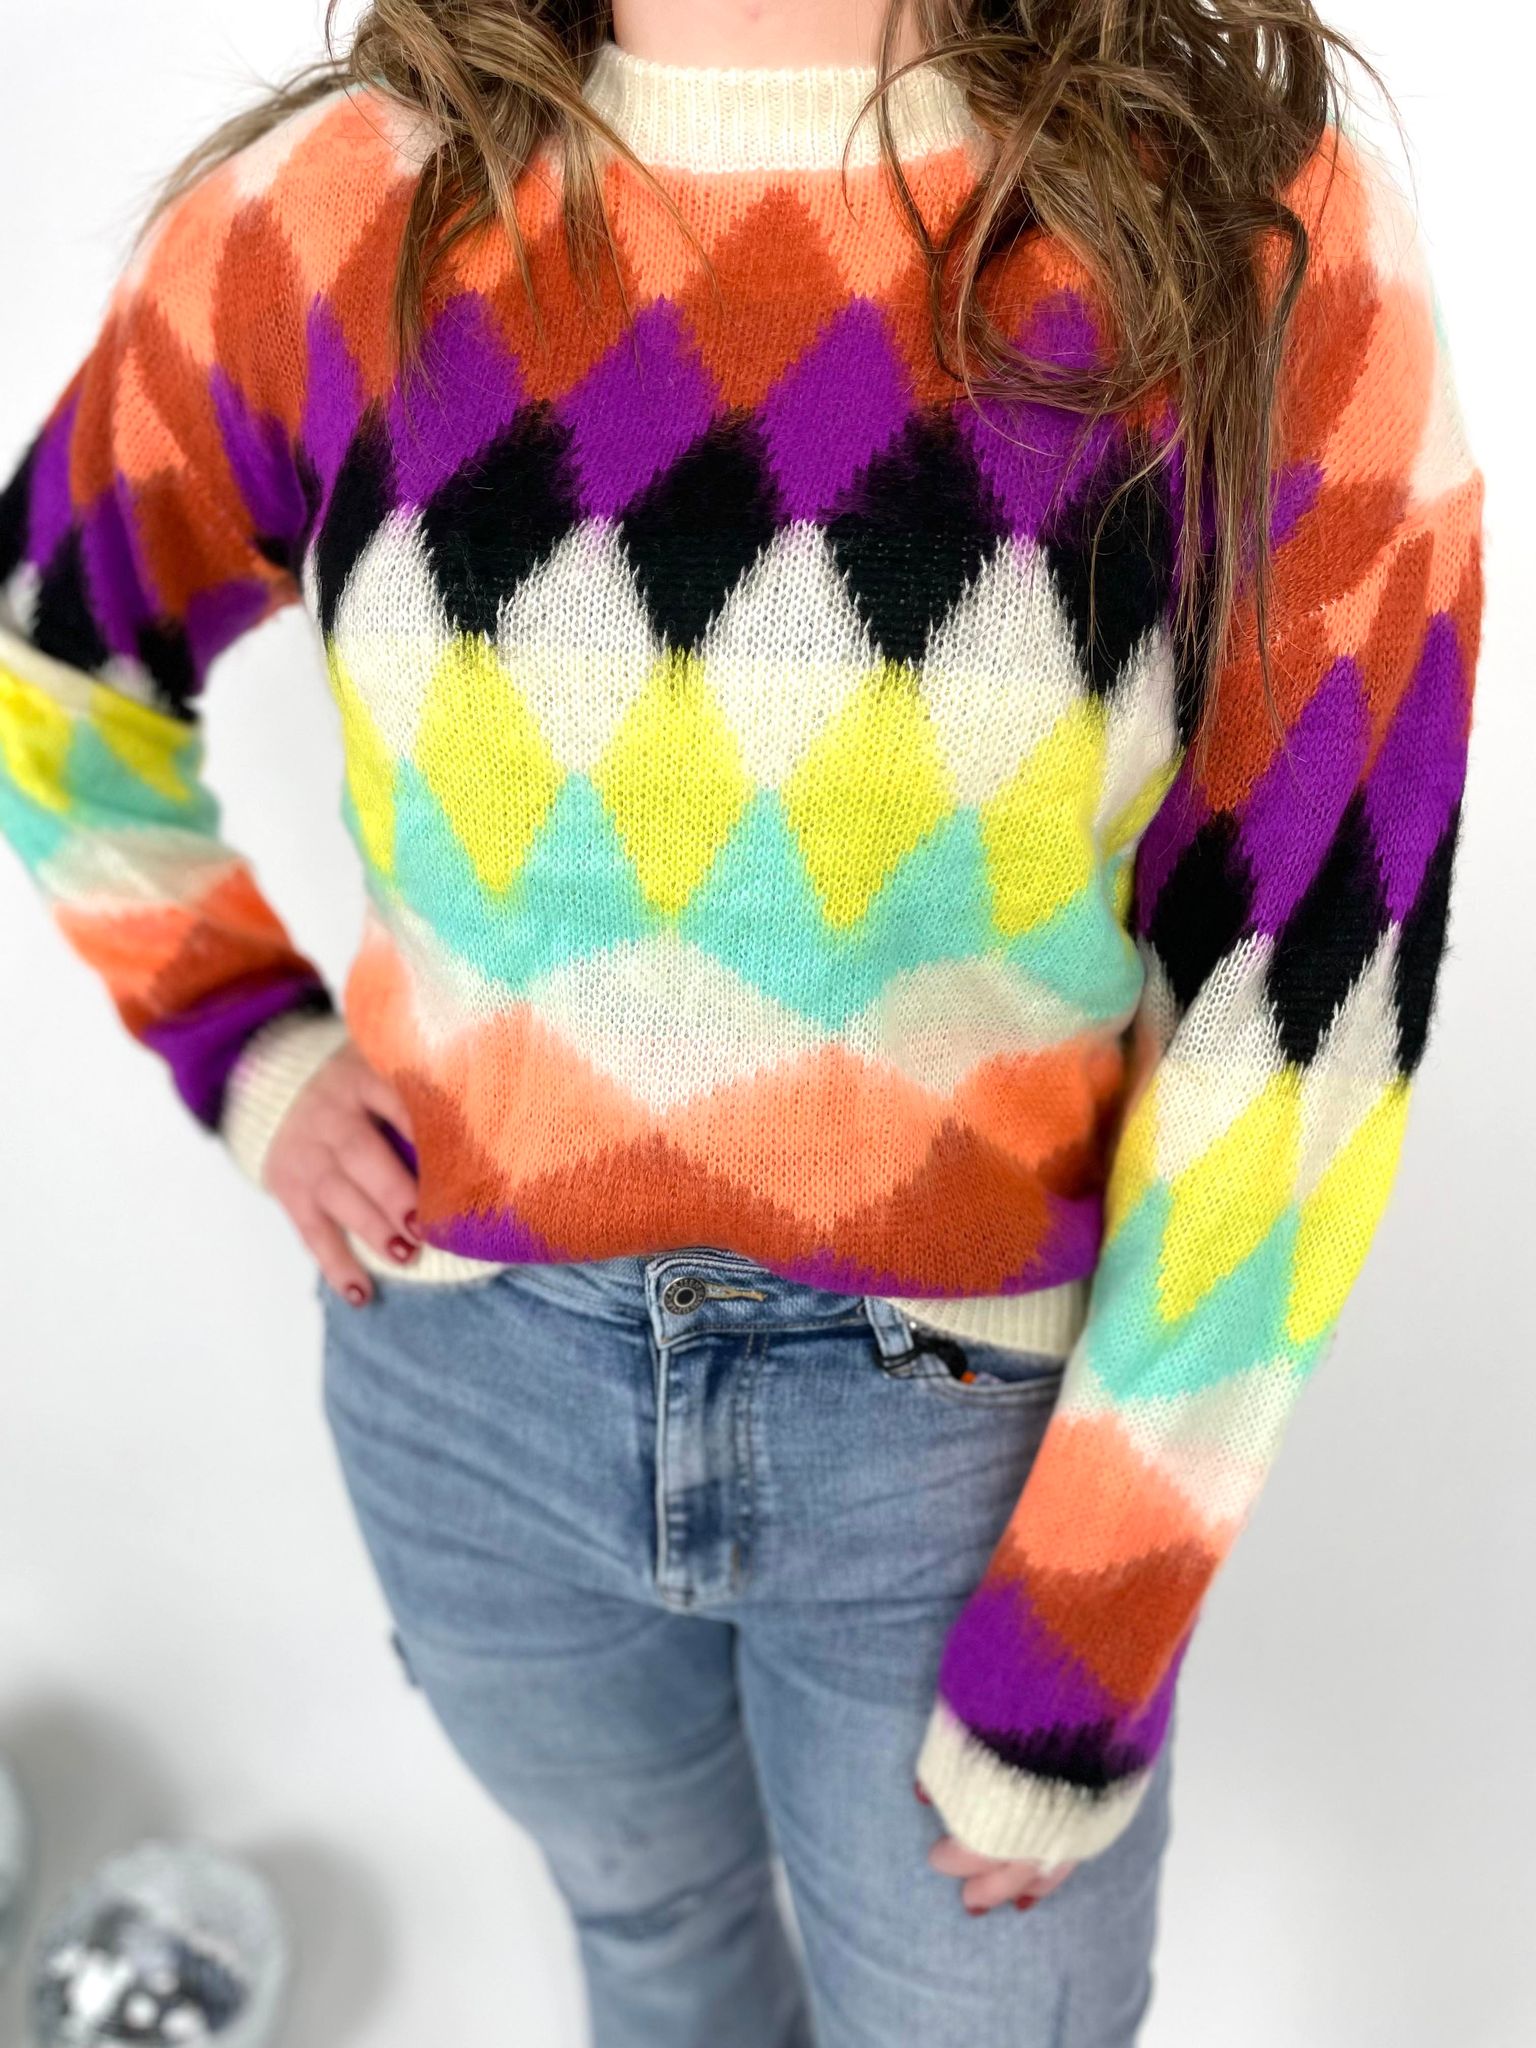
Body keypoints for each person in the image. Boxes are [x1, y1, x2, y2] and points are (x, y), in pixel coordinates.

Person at [0, 0, 1484, 2041]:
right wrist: (240, 1037)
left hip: (954, 1455)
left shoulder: (1240, 237)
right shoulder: (337, 213)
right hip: (469, 1392)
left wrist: (1092, 1616)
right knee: (660, 1950)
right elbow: (51, 654)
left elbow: (1307, 989)